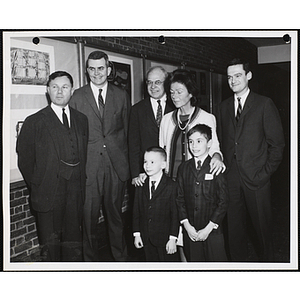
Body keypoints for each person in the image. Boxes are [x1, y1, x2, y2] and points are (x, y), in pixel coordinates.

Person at [217, 58, 285, 261]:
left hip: (257, 179)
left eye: (238, 76)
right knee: (234, 232)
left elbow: (277, 146)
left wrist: (263, 174)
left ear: (249, 76)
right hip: (231, 179)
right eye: (229, 77)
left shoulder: (264, 104)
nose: (233, 81)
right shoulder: (223, 108)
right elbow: (221, 141)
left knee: (262, 232)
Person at [16, 71, 88, 261]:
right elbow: (25, 161)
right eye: (54, 87)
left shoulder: (82, 120)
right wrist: (39, 186)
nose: (59, 92)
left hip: (75, 193)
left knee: (73, 245)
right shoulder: (34, 121)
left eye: (64, 87)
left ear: (72, 91)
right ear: (48, 90)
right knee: (51, 249)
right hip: (48, 195)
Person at [69, 50, 131, 262]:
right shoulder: (77, 96)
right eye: (92, 69)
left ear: (109, 69)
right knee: (89, 219)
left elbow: (127, 131)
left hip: (115, 165)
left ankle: (121, 259)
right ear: (87, 71)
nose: (97, 73)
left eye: (101, 68)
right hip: (89, 167)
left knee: (116, 216)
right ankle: (89, 263)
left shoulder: (121, 95)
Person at [159, 69, 225, 261]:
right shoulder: (166, 120)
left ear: (190, 93)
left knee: (195, 233)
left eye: (179, 91)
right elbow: (162, 150)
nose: (174, 96)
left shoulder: (207, 118)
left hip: (195, 186)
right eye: (171, 92)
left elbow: (216, 148)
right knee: (177, 230)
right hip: (172, 183)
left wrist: (218, 157)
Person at [176, 124, 228, 261]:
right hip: (191, 230)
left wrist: (209, 228)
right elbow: (179, 199)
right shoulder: (183, 168)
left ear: (209, 143)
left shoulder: (216, 166)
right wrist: (186, 225)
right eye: (191, 142)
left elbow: (223, 202)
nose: (194, 146)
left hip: (212, 231)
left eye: (199, 141)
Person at [128, 66, 174, 187]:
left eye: (158, 82)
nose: (153, 86)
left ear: (167, 83)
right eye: (149, 82)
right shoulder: (137, 110)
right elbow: (133, 145)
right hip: (146, 172)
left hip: (172, 171)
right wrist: (135, 173)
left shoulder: (175, 106)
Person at [132, 146, 179, 262]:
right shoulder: (141, 185)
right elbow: (136, 211)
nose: (147, 165)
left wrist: (173, 238)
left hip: (165, 239)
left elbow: (175, 215)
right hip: (146, 237)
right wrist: (137, 234)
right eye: (145, 162)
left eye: (152, 162)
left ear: (163, 165)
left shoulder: (172, 186)